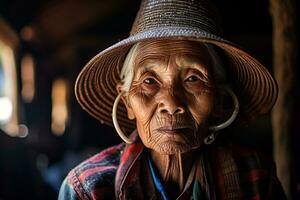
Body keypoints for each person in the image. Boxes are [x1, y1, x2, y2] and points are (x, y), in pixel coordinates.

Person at [59, 0, 286, 199]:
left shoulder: (255, 178)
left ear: (218, 101)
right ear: (127, 101)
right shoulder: (90, 190)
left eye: (193, 79)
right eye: (149, 81)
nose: (171, 103)